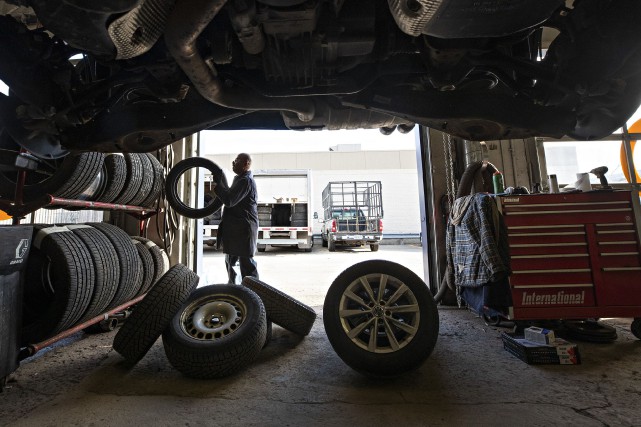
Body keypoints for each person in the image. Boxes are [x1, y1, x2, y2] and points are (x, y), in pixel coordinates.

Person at [210, 153, 259, 284]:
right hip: (236, 230)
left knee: (247, 266)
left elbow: (230, 200)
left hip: (243, 230)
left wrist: (218, 186)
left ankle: (253, 296)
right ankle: (234, 293)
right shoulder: (239, 179)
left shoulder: (245, 181)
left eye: (237, 160)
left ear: (246, 164)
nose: (233, 162)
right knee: (231, 264)